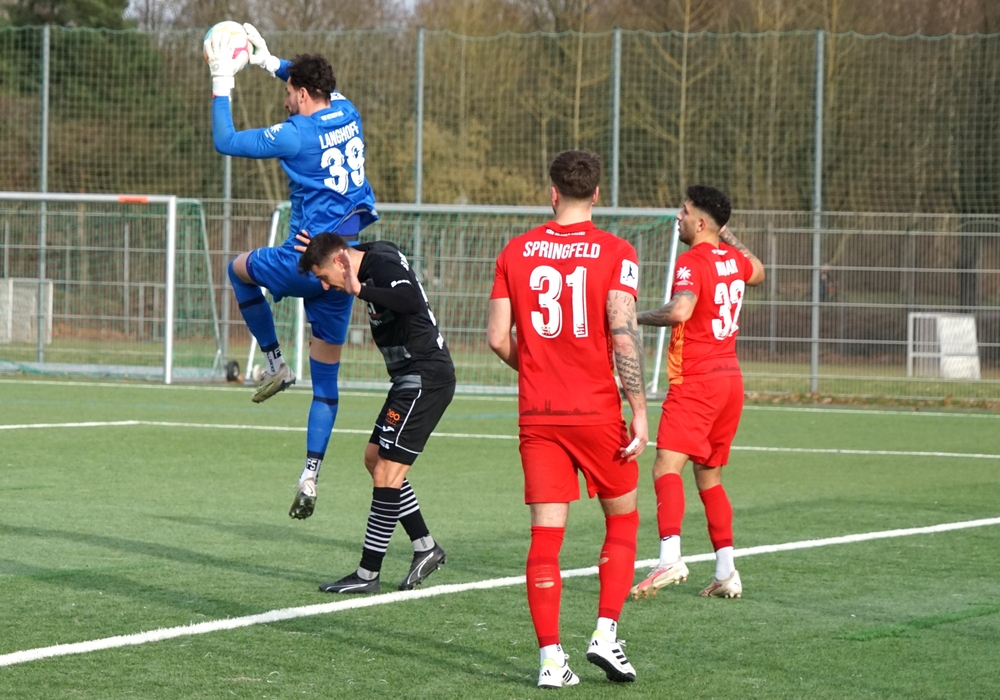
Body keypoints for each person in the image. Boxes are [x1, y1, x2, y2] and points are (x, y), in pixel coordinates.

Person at [487, 150, 648, 688]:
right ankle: (605, 632)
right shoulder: (617, 251)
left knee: (545, 536)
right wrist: (640, 410)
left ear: (552, 192)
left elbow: (497, 338)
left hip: (539, 414)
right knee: (622, 519)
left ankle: (551, 661)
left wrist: (538, 367)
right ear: (597, 194)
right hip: (596, 410)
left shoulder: (514, 251)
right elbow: (623, 333)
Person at [205, 25, 377, 520]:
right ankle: (310, 474)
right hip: (342, 267)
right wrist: (269, 62)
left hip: (305, 260)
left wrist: (222, 80)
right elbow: (316, 85)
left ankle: (276, 361)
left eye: (288, 92)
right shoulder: (347, 110)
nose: (285, 101)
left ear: (303, 94)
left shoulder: (296, 134)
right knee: (326, 386)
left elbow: (225, 140)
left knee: (237, 270)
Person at [297, 232, 453, 593]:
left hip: (424, 378)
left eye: (324, 276)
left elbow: (410, 299)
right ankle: (426, 547)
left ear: (339, 261)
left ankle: (367, 575)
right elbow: (351, 246)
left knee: (386, 472)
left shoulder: (379, 267)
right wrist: (318, 238)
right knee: (374, 459)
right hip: (408, 380)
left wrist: (360, 290)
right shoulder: (369, 255)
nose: (325, 285)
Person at [630, 185, 765, 600]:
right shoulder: (733, 259)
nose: (679, 217)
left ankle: (669, 558)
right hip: (730, 381)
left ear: (701, 222)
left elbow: (680, 310)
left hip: (698, 380)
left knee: (665, 469)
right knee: (709, 477)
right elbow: (758, 270)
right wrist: (725, 232)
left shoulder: (692, 260)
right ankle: (726, 572)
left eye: (685, 212)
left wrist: (632, 317)